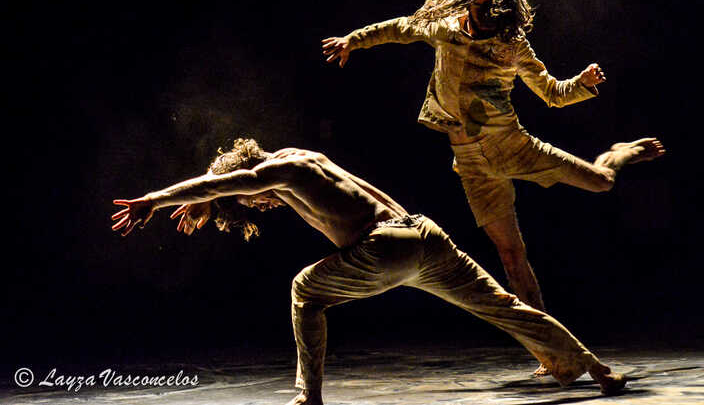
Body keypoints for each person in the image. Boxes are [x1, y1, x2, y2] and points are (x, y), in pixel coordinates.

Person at [112, 138, 626, 405]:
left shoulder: (281, 171)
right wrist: (212, 197)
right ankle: (599, 370)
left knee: (304, 290)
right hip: (425, 235)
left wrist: (153, 201)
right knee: (505, 309)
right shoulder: (305, 158)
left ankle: (309, 396)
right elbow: (225, 182)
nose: (261, 205)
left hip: (385, 248)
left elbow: (225, 182)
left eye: (251, 200)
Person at [322, 0, 665, 326]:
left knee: (602, 181)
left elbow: (552, 92)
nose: (490, 22)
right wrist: (353, 40)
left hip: (515, 146)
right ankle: (545, 342)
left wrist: (582, 83)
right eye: (485, 9)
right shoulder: (446, 28)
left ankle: (620, 153)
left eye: (497, 15)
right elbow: (400, 28)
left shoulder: (512, 44)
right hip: (472, 164)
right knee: (511, 255)